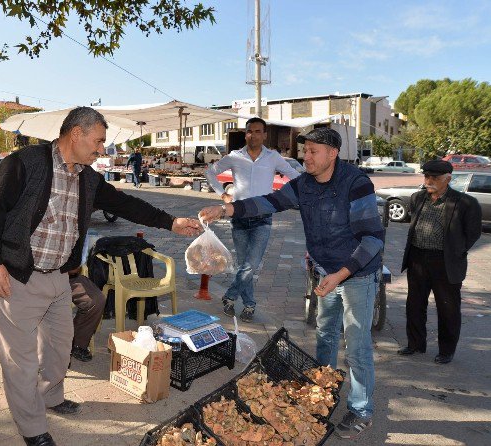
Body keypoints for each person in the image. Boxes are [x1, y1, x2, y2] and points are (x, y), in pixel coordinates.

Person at [0, 106, 201, 446]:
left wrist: (172, 222)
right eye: (98, 141)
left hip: (59, 278)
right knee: (18, 359)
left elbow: (127, 205)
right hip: (16, 276)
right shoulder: (25, 163)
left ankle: (51, 396)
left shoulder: (88, 178)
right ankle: (33, 430)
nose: (101, 150)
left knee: (59, 344)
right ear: (75, 133)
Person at [199, 127, 384, 440]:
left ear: (332, 153)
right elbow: (268, 202)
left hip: (357, 273)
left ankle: (361, 409)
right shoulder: (304, 185)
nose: (305, 157)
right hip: (324, 270)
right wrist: (226, 208)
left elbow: (373, 238)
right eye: (305, 150)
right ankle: (321, 391)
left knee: (357, 343)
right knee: (325, 333)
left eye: (313, 151)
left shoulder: (356, 183)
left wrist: (340, 275)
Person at [204, 117, 301, 322]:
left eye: (258, 131)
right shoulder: (234, 157)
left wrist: (310, 186)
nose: (253, 135)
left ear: (264, 134)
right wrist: (222, 194)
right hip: (238, 217)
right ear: (245, 134)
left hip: (263, 218)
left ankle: (230, 296)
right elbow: (210, 172)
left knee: (252, 264)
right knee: (244, 265)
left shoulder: (273, 157)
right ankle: (248, 305)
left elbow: (294, 175)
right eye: (249, 131)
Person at [397, 160, 482, 364]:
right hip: (417, 258)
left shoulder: (465, 203)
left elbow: (473, 233)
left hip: (445, 261)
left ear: (448, 179)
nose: (429, 180)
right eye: (427, 176)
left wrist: (456, 251)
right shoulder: (417, 198)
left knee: (448, 308)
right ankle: (415, 344)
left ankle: (446, 350)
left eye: (434, 177)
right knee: (415, 304)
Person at [68, 267, 105, 362]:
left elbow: (75, 266)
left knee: (96, 300)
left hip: (67, 275)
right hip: (37, 276)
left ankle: (77, 343)